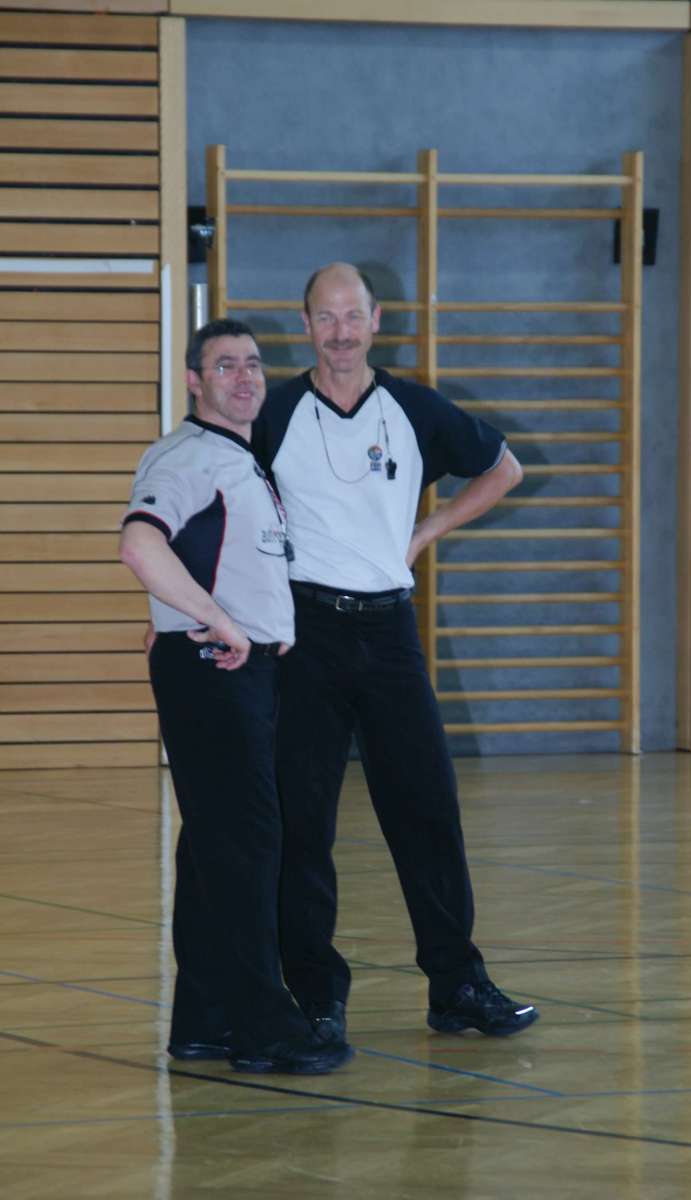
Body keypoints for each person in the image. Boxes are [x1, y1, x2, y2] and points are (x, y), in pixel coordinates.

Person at [252, 263, 540, 1043]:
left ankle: (456, 986)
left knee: (427, 809)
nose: (340, 333)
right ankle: (314, 995)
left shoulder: (412, 409)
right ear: (306, 324)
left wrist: (424, 534)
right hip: (304, 637)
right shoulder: (274, 414)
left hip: (388, 636)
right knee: (303, 822)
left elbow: (504, 468)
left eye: (353, 316)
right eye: (325, 317)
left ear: (377, 321)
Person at [120, 318, 353, 1075]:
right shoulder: (191, 456)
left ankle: (206, 1018)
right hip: (216, 666)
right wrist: (210, 619)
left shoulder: (237, 459)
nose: (245, 377)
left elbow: (196, 556)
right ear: (194, 380)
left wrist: (179, 615)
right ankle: (264, 1027)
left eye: (253, 364)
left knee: (214, 847)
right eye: (225, 366)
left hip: (234, 669)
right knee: (248, 845)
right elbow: (140, 543)